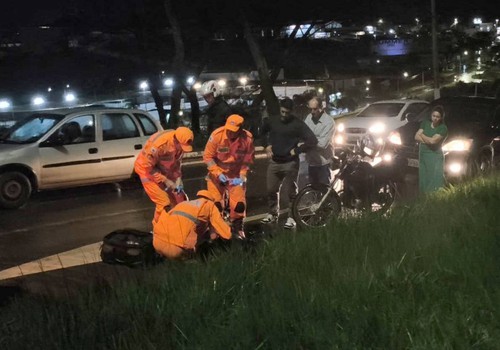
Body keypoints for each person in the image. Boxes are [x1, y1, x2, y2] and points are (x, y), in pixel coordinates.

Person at [260, 97, 318, 229]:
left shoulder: (298, 124)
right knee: (271, 189)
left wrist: (297, 150)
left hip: (290, 163)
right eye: (282, 112)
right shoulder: (273, 121)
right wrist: (266, 145)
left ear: (291, 112)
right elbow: (262, 132)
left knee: (289, 191)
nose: (284, 115)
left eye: (287, 112)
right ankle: (272, 213)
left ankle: (292, 216)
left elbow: (312, 140)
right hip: (275, 161)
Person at [203, 114, 254, 239]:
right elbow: (208, 157)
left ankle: (237, 228)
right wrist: (217, 173)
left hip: (236, 175)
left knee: (239, 205)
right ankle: (215, 230)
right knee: (216, 205)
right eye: (228, 130)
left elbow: (247, 160)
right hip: (217, 175)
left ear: (241, 129)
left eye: (233, 131)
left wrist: (242, 176)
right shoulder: (217, 136)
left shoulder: (247, 139)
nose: (230, 133)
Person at [134, 127, 194, 223]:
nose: (182, 149)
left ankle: (176, 226)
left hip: (161, 168)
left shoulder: (180, 144)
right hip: (146, 170)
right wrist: (166, 180)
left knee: (178, 200)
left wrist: (178, 179)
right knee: (164, 203)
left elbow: (176, 163)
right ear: (176, 140)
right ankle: (158, 229)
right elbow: (147, 166)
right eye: (181, 146)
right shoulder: (159, 145)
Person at [153, 190, 232, 260]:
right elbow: (221, 232)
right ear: (211, 200)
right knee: (195, 262)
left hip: (157, 241)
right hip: (176, 248)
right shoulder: (209, 205)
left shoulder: (184, 204)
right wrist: (230, 235)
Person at [303, 97, 335, 188]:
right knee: (313, 190)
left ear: (322, 107)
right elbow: (303, 134)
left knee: (324, 190)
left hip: (323, 163)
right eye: (310, 109)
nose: (312, 112)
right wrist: (313, 139)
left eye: (315, 109)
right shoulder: (309, 118)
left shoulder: (329, 122)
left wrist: (308, 141)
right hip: (311, 162)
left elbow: (322, 144)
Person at [414, 105, 448, 193]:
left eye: (437, 117)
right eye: (434, 116)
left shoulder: (443, 128)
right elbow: (416, 136)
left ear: (441, 118)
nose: (435, 118)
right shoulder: (425, 123)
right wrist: (427, 139)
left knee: (434, 178)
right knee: (424, 177)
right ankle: (424, 199)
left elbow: (433, 142)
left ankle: (435, 199)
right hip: (423, 154)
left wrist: (422, 135)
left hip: (435, 155)